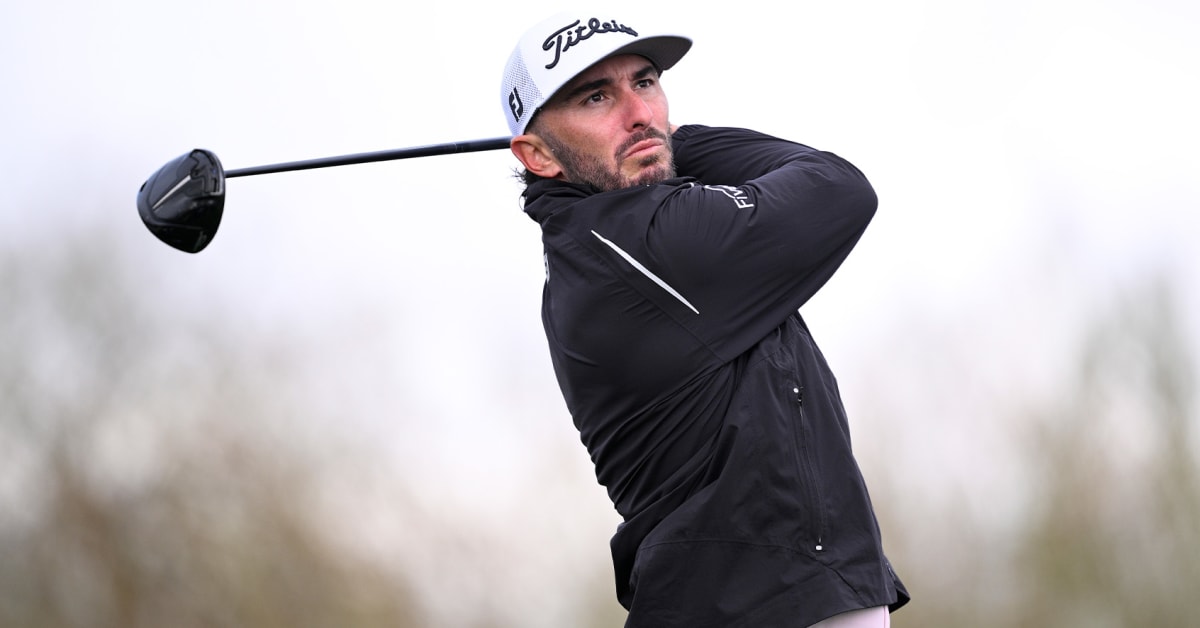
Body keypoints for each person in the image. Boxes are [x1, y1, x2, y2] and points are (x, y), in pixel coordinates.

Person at [500, 12, 909, 628]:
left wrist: (649, 143)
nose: (638, 112)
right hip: (762, 605)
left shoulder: (591, 250)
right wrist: (677, 140)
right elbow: (837, 187)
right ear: (537, 155)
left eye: (645, 83)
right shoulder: (644, 243)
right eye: (596, 97)